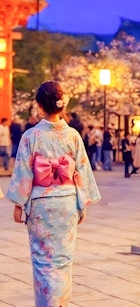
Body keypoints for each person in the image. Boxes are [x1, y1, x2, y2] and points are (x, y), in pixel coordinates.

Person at [6, 80, 100, 307]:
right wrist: (81, 202)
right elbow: (81, 171)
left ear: (39, 106)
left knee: (42, 261)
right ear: (62, 106)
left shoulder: (31, 136)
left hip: (40, 205)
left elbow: (24, 172)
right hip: (67, 203)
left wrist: (19, 204)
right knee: (63, 261)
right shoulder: (74, 136)